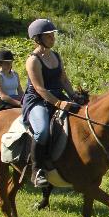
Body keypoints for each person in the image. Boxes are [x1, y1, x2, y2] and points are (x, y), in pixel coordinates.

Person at [22, 19, 80, 187]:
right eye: (48, 36)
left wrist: (74, 96)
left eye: (52, 35)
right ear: (37, 38)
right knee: (42, 132)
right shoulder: (33, 60)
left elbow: (63, 79)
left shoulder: (55, 56)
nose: (52, 38)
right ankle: (36, 170)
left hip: (57, 96)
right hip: (38, 101)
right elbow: (40, 89)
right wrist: (59, 104)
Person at [0, 49, 23, 115]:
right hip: (2, 103)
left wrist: (25, 100)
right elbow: (3, 96)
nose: (9, 64)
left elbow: (20, 91)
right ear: (0, 63)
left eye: (10, 62)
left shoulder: (15, 74)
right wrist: (18, 103)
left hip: (15, 99)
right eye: (6, 62)